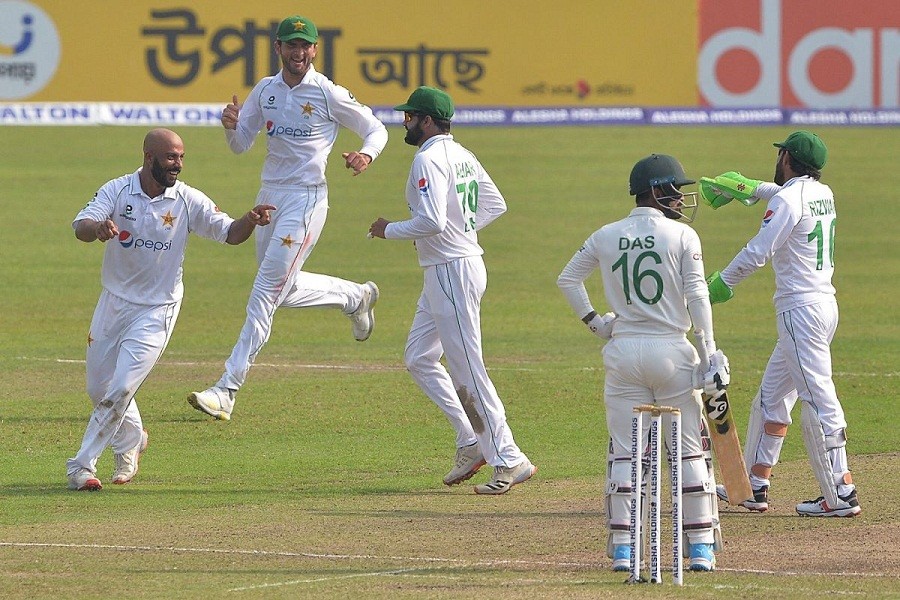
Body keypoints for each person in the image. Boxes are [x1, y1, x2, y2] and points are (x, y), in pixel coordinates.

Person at [188, 15, 389, 421]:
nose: (299, 53)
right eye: (291, 45)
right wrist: (229, 126)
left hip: (307, 199)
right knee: (283, 288)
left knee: (265, 291)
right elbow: (241, 145)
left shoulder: (327, 92)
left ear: (314, 50)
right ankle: (356, 297)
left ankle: (226, 389)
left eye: (305, 46)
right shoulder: (265, 89)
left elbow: (376, 129)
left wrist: (366, 155)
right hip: (269, 197)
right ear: (278, 47)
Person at [67, 128, 275, 491]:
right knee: (99, 388)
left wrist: (250, 219)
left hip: (156, 310)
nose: (178, 164)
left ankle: (81, 467)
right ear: (149, 157)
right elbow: (80, 226)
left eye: (181, 157)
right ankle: (132, 439)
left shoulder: (187, 199)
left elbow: (230, 233)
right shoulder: (118, 189)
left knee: (121, 388)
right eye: (170, 157)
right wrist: (98, 227)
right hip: (113, 303)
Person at [557, 154, 727, 572]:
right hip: (672, 352)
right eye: (675, 189)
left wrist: (596, 323)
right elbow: (697, 294)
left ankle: (623, 548)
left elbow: (568, 279)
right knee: (687, 452)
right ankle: (700, 548)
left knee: (626, 453)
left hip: (623, 353)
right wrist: (710, 352)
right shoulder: (683, 235)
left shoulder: (605, 234)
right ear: (656, 191)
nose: (681, 198)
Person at [368, 86, 536, 495]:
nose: (405, 123)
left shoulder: (427, 159)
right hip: (449, 268)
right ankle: (470, 439)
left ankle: (508, 458)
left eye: (410, 117)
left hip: (451, 272)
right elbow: (494, 205)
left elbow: (431, 222)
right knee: (419, 357)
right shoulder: (463, 154)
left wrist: (388, 229)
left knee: (468, 369)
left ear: (427, 121)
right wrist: (462, 231)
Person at [700, 131, 861, 517]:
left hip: (799, 312)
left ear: (787, 157)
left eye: (781, 154)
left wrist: (720, 286)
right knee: (770, 399)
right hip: (823, 307)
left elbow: (758, 252)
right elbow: (785, 196)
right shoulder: (823, 193)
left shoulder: (790, 199)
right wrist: (748, 187)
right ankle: (753, 486)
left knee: (819, 400)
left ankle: (841, 492)